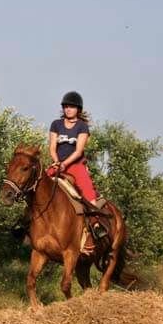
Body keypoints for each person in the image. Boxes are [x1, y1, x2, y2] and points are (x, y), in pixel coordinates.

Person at [46, 91, 109, 237]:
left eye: (72, 107)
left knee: (87, 190)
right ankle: (27, 221)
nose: (68, 109)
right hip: (57, 163)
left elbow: (79, 151)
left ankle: (95, 222)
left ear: (78, 109)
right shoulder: (56, 124)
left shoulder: (82, 127)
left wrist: (64, 164)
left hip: (75, 165)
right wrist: (56, 162)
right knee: (38, 185)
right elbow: (52, 147)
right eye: (66, 106)